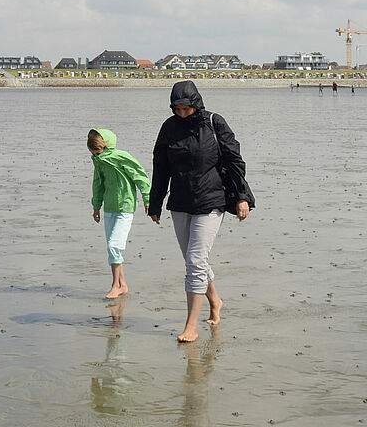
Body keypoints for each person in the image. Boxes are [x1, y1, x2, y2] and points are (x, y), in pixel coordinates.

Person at [149, 81, 255, 342]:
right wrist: (155, 203)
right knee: (193, 262)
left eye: (187, 108)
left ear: (196, 104)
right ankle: (215, 301)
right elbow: (160, 166)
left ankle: (191, 325)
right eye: (177, 109)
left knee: (195, 263)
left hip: (211, 201)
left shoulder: (214, 123)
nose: (182, 113)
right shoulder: (169, 128)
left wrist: (241, 197)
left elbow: (234, 162)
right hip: (180, 203)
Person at [88, 128, 151, 299]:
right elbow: (98, 183)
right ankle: (123, 285)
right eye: (93, 153)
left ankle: (115, 285)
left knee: (114, 246)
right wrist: (96, 206)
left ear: (106, 147)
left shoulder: (121, 156)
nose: (96, 156)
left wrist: (148, 200)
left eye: (98, 152)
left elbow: (140, 176)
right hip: (109, 207)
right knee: (113, 249)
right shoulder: (98, 160)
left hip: (125, 207)